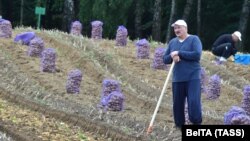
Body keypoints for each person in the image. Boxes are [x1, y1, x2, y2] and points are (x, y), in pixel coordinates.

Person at [163, 19, 202, 128]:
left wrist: (180, 53)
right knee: (177, 104)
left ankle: (196, 123)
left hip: (192, 77)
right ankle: (179, 126)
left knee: (194, 102)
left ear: (185, 28)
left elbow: (197, 55)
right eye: (175, 28)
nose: (177, 30)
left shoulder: (194, 39)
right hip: (177, 78)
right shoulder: (172, 42)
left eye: (179, 27)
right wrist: (172, 55)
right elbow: (165, 59)